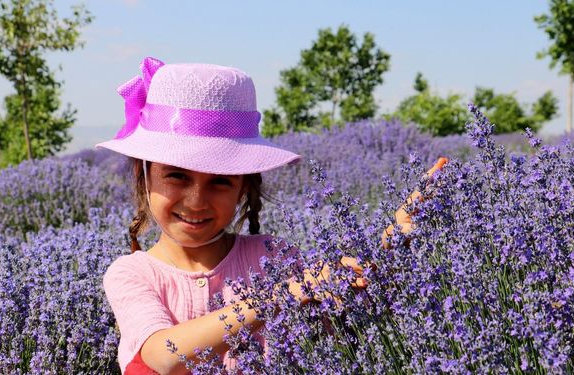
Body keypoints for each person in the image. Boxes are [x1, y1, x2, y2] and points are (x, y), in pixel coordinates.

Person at [99, 57, 446, 375]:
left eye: (220, 181)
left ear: (244, 188)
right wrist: (280, 295)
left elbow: (344, 320)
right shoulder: (131, 274)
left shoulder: (273, 258)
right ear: (143, 176)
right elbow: (165, 356)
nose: (196, 200)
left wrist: (389, 245)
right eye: (177, 176)